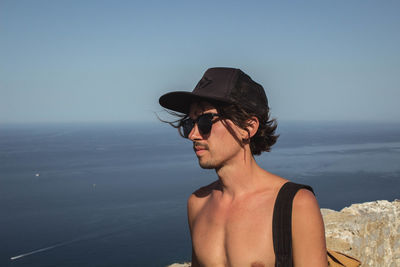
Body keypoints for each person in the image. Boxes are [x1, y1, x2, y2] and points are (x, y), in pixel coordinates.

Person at [159, 67, 327, 267]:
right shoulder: (197, 204)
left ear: (248, 127)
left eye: (205, 121)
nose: (193, 134)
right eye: (190, 123)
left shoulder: (295, 205)